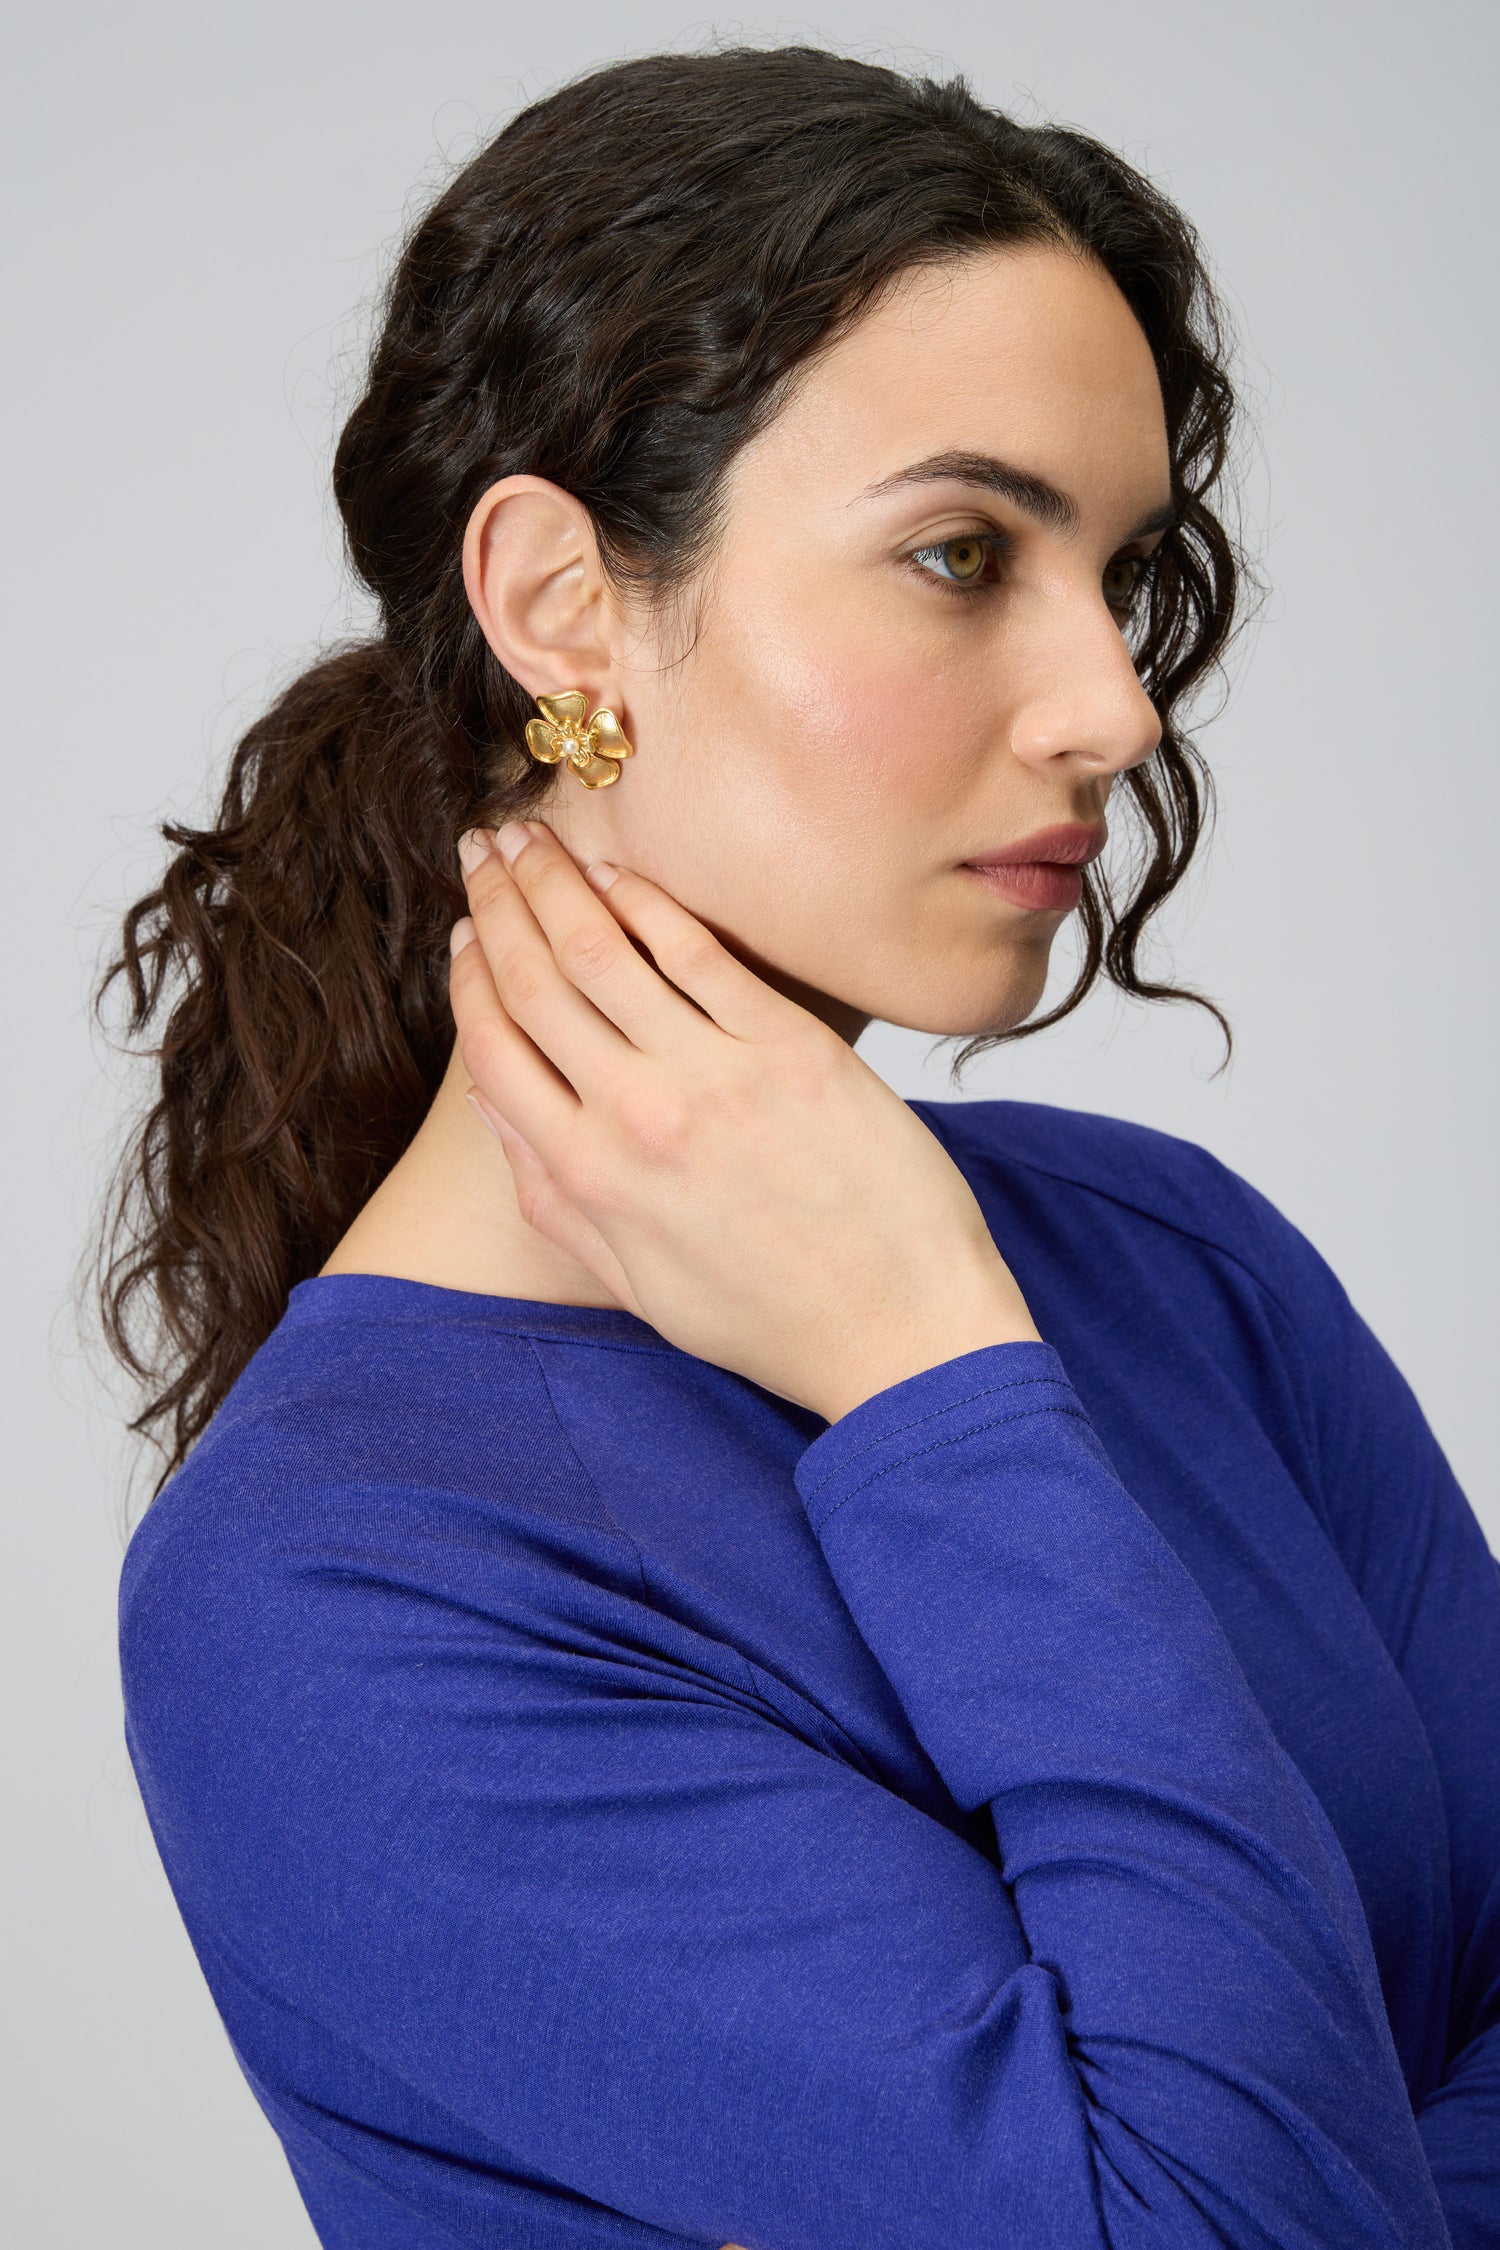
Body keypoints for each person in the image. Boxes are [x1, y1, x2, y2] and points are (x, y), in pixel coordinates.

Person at [106, 46, 1499, 2250]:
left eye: (1115, 571)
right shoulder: (327, 1590)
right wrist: (933, 1369)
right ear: (562, 604)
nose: (1118, 707)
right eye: (962, 554)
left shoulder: (1176, 1257)